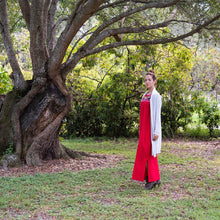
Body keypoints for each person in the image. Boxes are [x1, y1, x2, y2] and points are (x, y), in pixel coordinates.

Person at [132, 69, 162, 190]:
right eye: (145, 80)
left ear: (154, 81)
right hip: (144, 129)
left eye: (149, 80)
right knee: (143, 152)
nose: (147, 82)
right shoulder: (145, 95)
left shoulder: (156, 96)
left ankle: (153, 179)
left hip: (151, 130)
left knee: (150, 153)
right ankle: (152, 177)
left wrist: (156, 132)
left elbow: (157, 116)